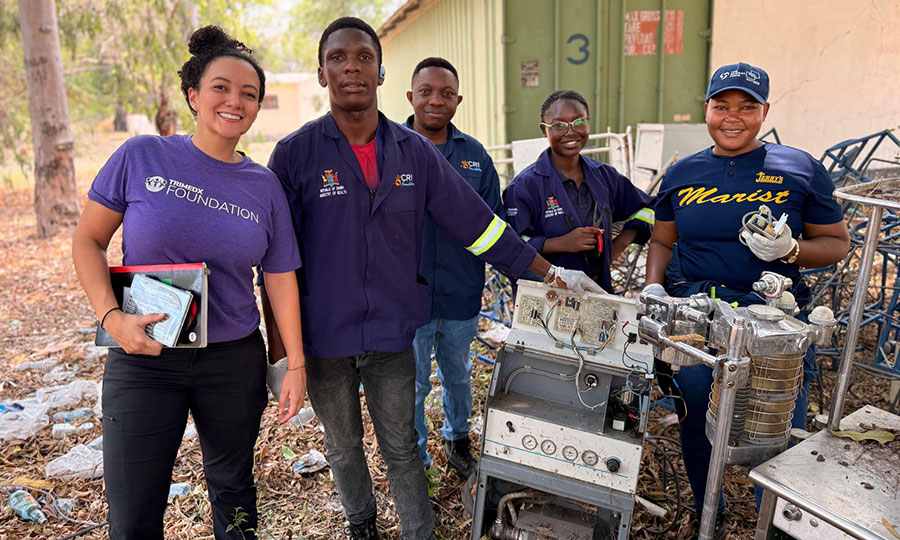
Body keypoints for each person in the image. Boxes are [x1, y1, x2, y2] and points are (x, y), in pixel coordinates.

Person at [261, 17, 600, 540]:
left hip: (395, 333)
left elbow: (479, 226)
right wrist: (282, 355)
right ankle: (362, 526)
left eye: (363, 58)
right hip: (325, 336)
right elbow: (275, 261)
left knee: (401, 445)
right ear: (323, 74)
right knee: (343, 446)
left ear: (379, 73)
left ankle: (418, 531)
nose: (351, 67)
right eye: (338, 58)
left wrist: (551, 272)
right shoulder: (296, 154)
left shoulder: (413, 152)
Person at [72, 26, 307, 540]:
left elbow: (280, 276)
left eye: (249, 94)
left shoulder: (263, 186)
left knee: (235, 493)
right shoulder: (141, 157)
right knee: (133, 513)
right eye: (221, 87)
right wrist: (112, 317)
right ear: (193, 95)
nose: (234, 101)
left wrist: (293, 363)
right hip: (145, 357)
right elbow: (87, 242)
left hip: (232, 361)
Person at [644, 62, 850, 537]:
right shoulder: (685, 172)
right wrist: (654, 287)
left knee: (774, 433)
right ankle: (705, 511)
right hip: (698, 321)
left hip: (774, 326)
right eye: (722, 106)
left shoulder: (798, 167)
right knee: (696, 420)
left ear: (764, 112)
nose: (732, 117)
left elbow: (836, 242)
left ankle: (774, 523)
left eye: (746, 106)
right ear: (707, 110)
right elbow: (661, 241)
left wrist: (792, 250)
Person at [403, 57, 500, 478]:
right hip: (408, 299)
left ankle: (458, 439)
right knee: (414, 383)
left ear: (458, 100)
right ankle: (415, 457)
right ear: (410, 97)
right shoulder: (392, 148)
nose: (435, 101)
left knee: (459, 377)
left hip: (461, 294)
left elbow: (495, 222)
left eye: (445, 93)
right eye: (426, 92)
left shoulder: (475, 155)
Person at [503, 90, 654, 293]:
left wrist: (620, 243)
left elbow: (650, 207)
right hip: (545, 300)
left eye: (579, 122)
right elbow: (511, 246)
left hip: (598, 294)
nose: (571, 132)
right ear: (543, 130)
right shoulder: (524, 187)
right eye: (558, 125)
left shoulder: (605, 177)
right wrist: (560, 243)